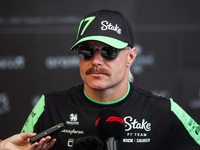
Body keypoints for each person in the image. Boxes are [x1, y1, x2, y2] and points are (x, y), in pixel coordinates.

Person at [19, 9, 200, 150]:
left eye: (109, 51)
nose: (96, 61)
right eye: (86, 51)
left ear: (131, 57)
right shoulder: (49, 107)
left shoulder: (164, 111)